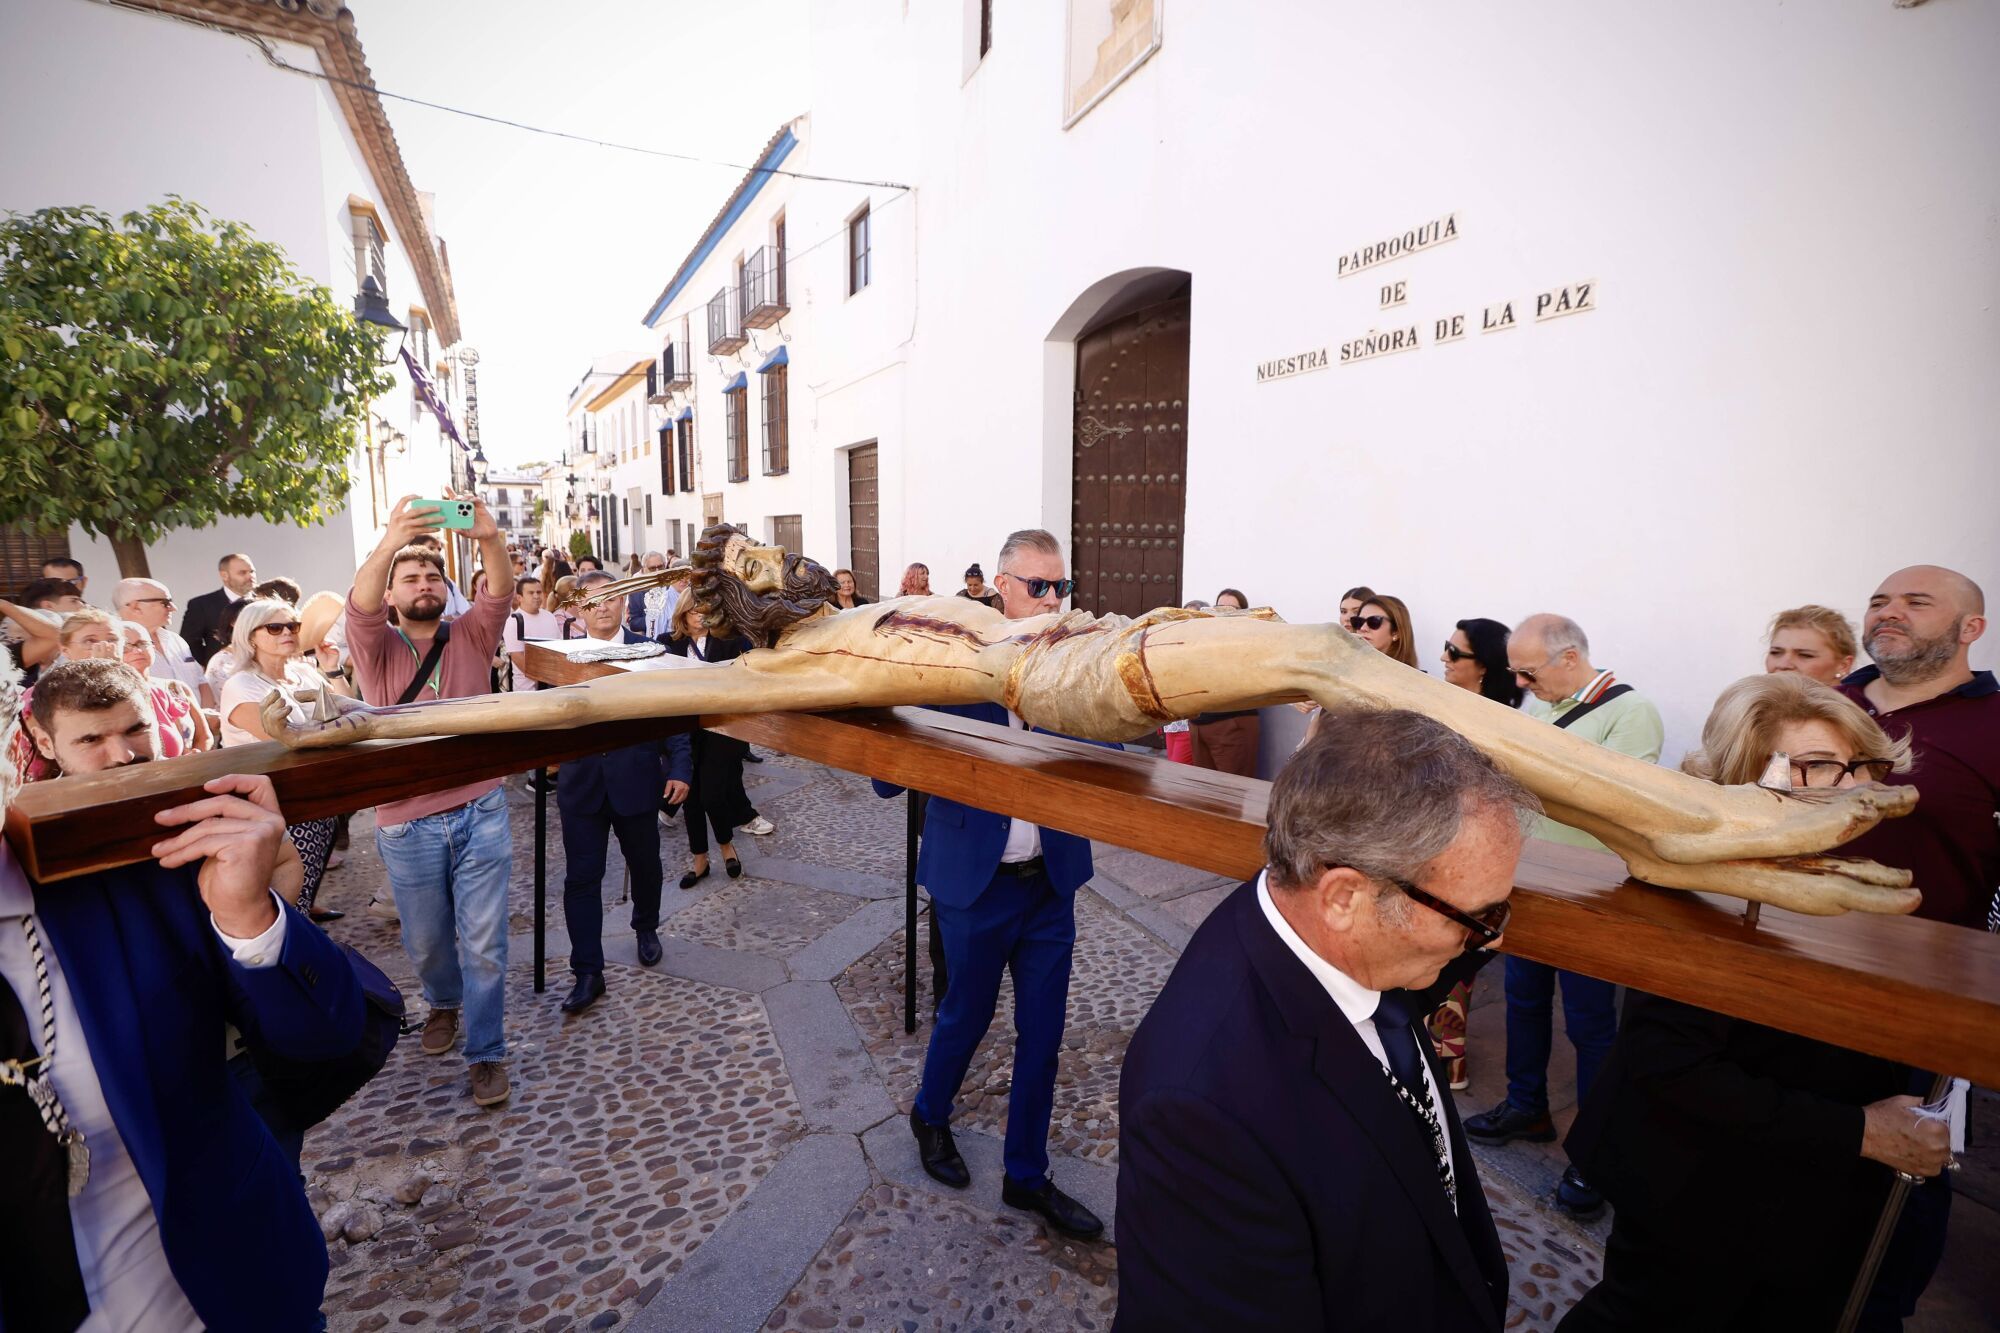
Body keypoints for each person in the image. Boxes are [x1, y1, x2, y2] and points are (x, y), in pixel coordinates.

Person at [1116, 709, 1533, 1331]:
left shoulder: (1343, 941)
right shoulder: (1201, 1113)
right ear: (1344, 897)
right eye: (1479, 918)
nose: (1491, 939)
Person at [1558, 673, 1948, 1332]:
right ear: (1748, 774)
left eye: (1865, 765)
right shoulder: (1703, 883)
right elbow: (1669, 1062)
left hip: (1794, 1186)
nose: (1859, 788)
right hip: (1696, 1190)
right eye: (1824, 766)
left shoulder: (1839, 864)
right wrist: (1863, 1130)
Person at [1, 649, 360, 1328]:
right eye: (92, 740)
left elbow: (324, 1038)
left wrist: (253, 916)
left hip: (229, 1289)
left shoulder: (124, 864)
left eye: (131, 732)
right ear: (45, 743)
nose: (120, 756)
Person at [877, 528, 1108, 1240]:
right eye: (1038, 587)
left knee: (1042, 1035)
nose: (1051, 600)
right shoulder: (951, 663)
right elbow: (887, 778)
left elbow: (1114, 748)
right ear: (1001, 587)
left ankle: (1026, 1175)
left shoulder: (1072, 663)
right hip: (974, 882)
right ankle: (930, 1112)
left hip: (1050, 883)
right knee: (965, 1016)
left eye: (1061, 587)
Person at [1467, 613, 1664, 1218]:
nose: (1523, 685)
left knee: (1591, 1024)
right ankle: (1527, 1105)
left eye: (1529, 672)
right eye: (1516, 673)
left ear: (1571, 658)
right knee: (1524, 999)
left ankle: (1596, 1149)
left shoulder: (1632, 713)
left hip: (1592, 892)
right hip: (1529, 881)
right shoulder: (1541, 705)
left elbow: (1611, 797)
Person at [345, 494, 515, 1107]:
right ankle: (442, 1002)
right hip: (406, 821)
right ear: (391, 594)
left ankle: (487, 1052)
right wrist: (391, 540)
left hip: (482, 808)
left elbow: (499, 592)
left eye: (432, 576)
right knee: (428, 942)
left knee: (486, 942)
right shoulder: (375, 645)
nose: (423, 584)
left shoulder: (471, 634)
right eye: (410, 578)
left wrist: (490, 539)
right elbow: (359, 603)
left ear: (446, 588)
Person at [554, 571, 693, 1014]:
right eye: (591, 601)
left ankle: (646, 925)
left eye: (610, 598)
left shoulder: (651, 651)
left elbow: (675, 714)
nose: (602, 607)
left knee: (647, 867)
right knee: (581, 879)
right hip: (582, 786)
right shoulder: (560, 658)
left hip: (636, 779)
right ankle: (587, 971)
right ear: (577, 607)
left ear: (623, 602)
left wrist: (681, 767)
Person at [1837, 565, 1995, 932]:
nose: (1888, 612)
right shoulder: (1813, 705)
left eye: (1917, 603)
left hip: (1928, 964)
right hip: (1778, 938)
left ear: (1970, 628)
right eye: (1878, 602)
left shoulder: (1994, 725)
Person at [1428, 616, 1524, 1089]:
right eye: (1445, 648)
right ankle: (1442, 1054)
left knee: (1453, 953)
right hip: (1435, 842)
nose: (1444, 658)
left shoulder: (1495, 721)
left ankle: (1449, 1058)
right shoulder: (1449, 705)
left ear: (1483, 666)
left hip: (1465, 850)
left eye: (1454, 652)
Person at [217, 598, 351, 917]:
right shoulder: (241, 684)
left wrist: (331, 669)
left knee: (310, 874)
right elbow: (285, 738)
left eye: (293, 626)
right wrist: (330, 729)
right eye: (275, 627)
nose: (287, 633)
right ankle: (290, 951)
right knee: (284, 892)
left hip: (315, 792)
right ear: (251, 636)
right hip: (273, 800)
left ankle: (305, 926)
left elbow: (351, 712)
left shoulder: (304, 672)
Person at [660, 598, 754, 886]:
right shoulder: (667, 643)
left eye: (705, 611)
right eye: (693, 611)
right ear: (682, 614)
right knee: (689, 797)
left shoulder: (730, 639)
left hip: (721, 730)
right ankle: (699, 858)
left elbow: (750, 670)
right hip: (682, 731)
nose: (699, 616)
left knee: (713, 794)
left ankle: (726, 845)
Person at [1188, 587, 1264, 776]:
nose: (1225, 613)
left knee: (1232, 792)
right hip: (1199, 725)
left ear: (1243, 613)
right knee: (1203, 789)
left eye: (1232, 609)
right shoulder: (1205, 639)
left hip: (1231, 725)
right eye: (1220, 607)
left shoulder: (1250, 641)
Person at [115, 621, 212, 757]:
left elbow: (205, 736)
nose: (137, 650)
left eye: (143, 643)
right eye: (126, 646)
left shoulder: (177, 688)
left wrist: (196, 755)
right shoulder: (116, 698)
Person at [113, 577, 212, 708]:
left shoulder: (175, 640)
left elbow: (201, 682)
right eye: (165, 603)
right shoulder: (115, 647)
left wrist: (204, 718)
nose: (173, 608)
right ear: (136, 607)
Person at [179, 552, 257, 666]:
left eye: (252, 571)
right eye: (242, 573)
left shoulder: (266, 602)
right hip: (224, 673)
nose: (250, 576)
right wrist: (209, 666)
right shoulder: (201, 605)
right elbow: (190, 642)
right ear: (224, 575)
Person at [1766, 603, 1859, 686]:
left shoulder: (1861, 704)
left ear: (1843, 665)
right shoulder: (1755, 702)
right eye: (1775, 652)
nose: (1784, 665)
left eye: (1805, 655)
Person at [499, 576, 562, 691]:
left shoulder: (549, 616)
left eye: (539, 592)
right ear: (519, 597)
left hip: (553, 685)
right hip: (527, 690)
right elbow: (517, 657)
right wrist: (544, 677)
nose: (536, 596)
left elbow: (559, 648)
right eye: (531, 593)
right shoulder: (513, 620)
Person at [407, 532, 474, 619]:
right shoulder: (406, 581)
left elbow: (466, 611)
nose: (436, 552)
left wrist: (452, 618)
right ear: (415, 550)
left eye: (439, 549)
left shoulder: (447, 582)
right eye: (431, 548)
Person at [1351, 594, 1420, 668]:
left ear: (1396, 632)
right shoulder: (1346, 669)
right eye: (1359, 621)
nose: (1363, 628)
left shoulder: (1411, 678)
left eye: (1374, 621)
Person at [627, 551, 669, 632]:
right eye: (652, 568)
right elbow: (633, 624)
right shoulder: (636, 592)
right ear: (644, 569)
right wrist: (654, 619)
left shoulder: (673, 587)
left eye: (660, 567)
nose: (657, 571)